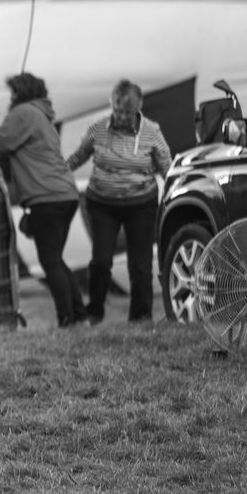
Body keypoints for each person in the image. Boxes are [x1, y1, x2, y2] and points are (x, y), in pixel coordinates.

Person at [0, 73, 88, 328]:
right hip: (65, 194)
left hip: (46, 196)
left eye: (13, 93)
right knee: (56, 259)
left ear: (21, 93)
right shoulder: (42, 116)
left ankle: (67, 320)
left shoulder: (24, 113)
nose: (11, 99)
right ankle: (79, 317)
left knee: (50, 261)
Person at [66, 79, 172, 323]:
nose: (122, 116)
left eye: (127, 111)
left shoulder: (152, 131)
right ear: (111, 105)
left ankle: (141, 317)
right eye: (117, 110)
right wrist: (57, 173)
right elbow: (77, 158)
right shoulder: (98, 129)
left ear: (139, 106)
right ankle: (94, 312)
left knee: (140, 264)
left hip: (141, 204)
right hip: (102, 204)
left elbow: (167, 167)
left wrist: (175, 189)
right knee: (101, 261)